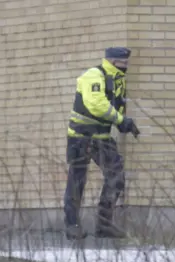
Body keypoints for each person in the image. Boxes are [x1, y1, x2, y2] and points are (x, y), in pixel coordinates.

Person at [63, 47, 140, 241]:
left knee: (116, 176)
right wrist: (120, 120)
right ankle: (72, 226)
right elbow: (96, 104)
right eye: (123, 63)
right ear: (113, 62)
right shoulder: (93, 75)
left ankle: (104, 226)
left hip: (102, 138)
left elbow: (114, 105)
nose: (126, 66)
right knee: (77, 181)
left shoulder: (117, 80)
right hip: (81, 136)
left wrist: (123, 123)